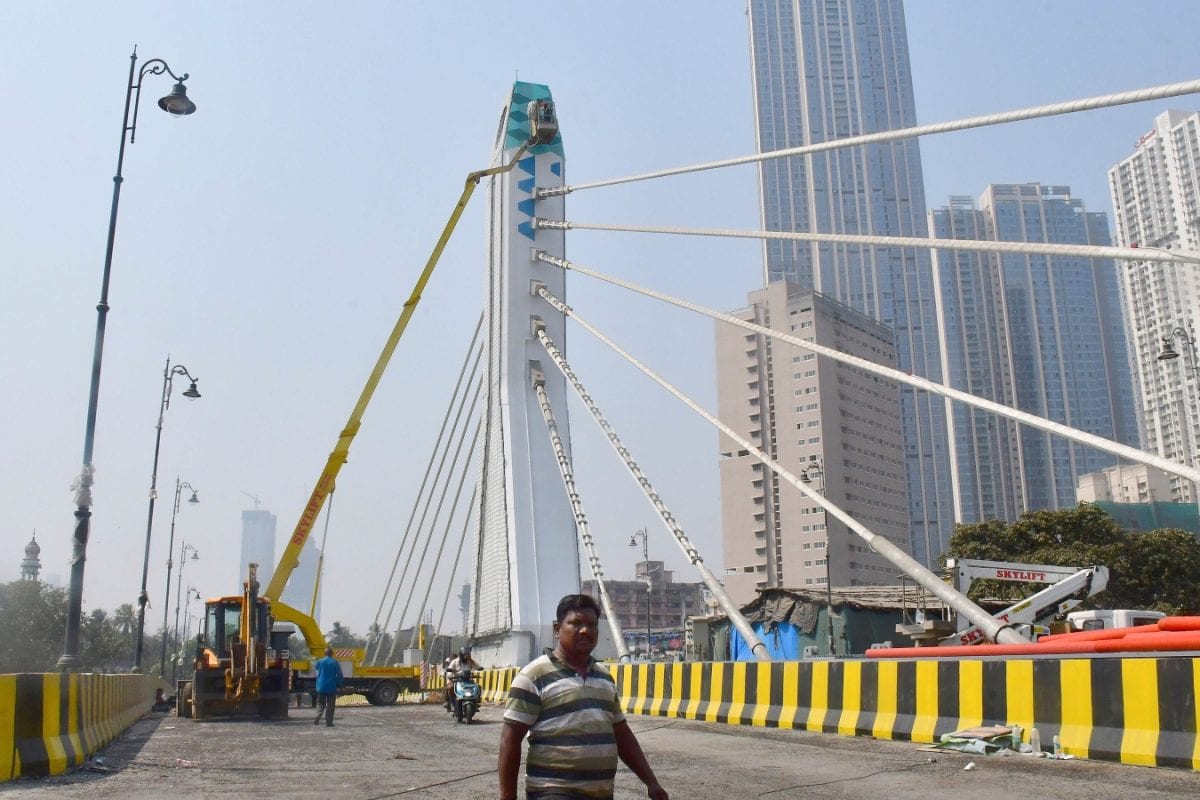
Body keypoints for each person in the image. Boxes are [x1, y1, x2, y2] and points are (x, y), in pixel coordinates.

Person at [499, 594, 668, 800]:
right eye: (576, 623)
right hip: (552, 791)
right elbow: (510, 740)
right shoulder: (533, 676)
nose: (585, 630)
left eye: (591, 624)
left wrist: (651, 782)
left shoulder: (604, 677)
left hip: (601, 792)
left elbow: (621, 734)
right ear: (556, 629)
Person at [313, 647, 344, 727]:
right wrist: (340, 685)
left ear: (325, 653)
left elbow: (316, 667)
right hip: (331, 686)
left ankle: (317, 716)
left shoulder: (320, 661)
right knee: (330, 706)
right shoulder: (334, 662)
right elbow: (340, 675)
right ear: (332, 654)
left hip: (321, 686)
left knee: (320, 703)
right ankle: (328, 722)